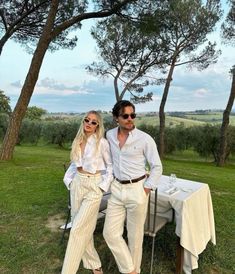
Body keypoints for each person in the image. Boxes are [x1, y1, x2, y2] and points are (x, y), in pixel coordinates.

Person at [103, 100, 162, 274]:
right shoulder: (109, 136)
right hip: (116, 190)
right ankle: (130, 270)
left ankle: (134, 270)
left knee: (135, 237)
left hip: (137, 189)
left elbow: (157, 167)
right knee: (110, 233)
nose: (130, 119)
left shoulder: (145, 139)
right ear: (116, 118)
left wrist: (146, 189)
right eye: (125, 116)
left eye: (132, 115)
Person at [61, 110, 113, 274]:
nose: (89, 124)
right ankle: (94, 264)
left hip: (94, 186)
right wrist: (68, 180)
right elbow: (73, 165)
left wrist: (103, 186)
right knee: (84, 227)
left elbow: (111, 166)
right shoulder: (78, 140)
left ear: (98, 125)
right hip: (77, 184)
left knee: (76, 229)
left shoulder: (102, 143)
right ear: (83, 121)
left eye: (93, 122)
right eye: (87, 120)